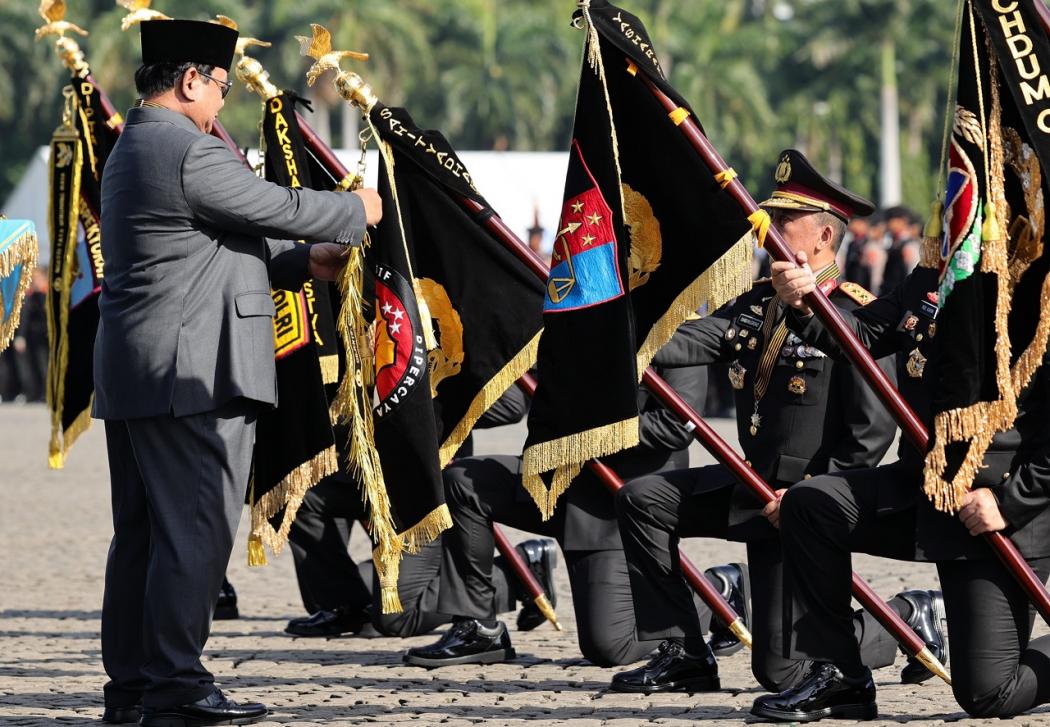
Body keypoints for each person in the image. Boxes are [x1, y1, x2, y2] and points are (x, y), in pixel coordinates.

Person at [94, 19, 381, 727]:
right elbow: (278, 206)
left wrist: (299, 263)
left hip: (147, 368)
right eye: (220, 86)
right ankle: (177, 686)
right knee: (194, 530)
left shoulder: (137, 145)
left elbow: (210, 248)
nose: (223, 101)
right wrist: (356, 209)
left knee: (144, 534)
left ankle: (133, 684)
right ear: (190, 79)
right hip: (193, 371)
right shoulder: (185, 149)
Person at [610, 149, 944, 695]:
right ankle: (681, 651)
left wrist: (811, 496)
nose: (769, 229)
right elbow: (693, 340)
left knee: (780, 670)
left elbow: (870, 433)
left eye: (785, 222)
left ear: (823, 240)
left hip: (804, 498)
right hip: (752, 484)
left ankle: (910, 619)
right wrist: (617, 339)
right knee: (642, 499)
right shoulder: (761, 302)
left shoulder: (857, 313)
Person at [753, 255, 1050, 721]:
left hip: (995, 509)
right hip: (921, 488)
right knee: (811, 505)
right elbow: (861, 337)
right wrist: (807, 305)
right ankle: (841, 677)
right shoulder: (937, 271)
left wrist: (1011, 502)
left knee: (989, 693)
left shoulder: (1041, 281)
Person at [401, 354, 708, 668]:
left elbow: (676, 426)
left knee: (609, 647)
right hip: (553, 481)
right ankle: (478, 626)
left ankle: (720, 592)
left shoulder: (673, 328)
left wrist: (594, 432)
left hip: (613, 501)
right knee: (462, 483)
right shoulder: (577, 320)